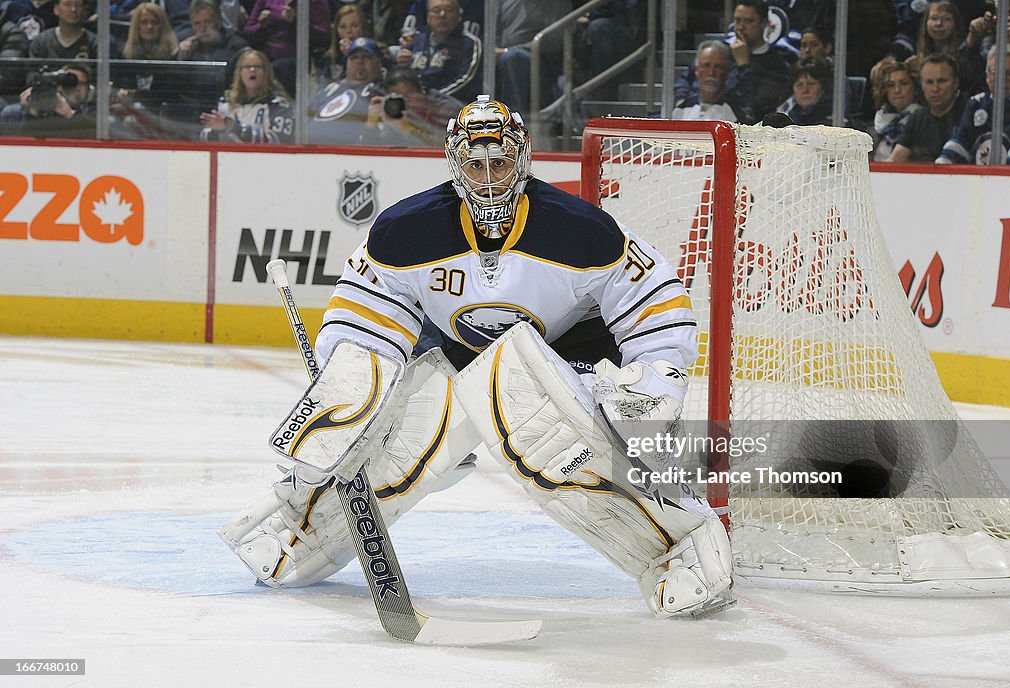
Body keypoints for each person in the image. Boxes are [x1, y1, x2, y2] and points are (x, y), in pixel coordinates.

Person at [219, 95, 735, 620]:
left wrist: (655, 380)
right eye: (475, 163)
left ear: (523, 158)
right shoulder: (407, 231)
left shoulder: (580, 230)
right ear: (454, 163)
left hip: (572, 358)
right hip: (455, 354)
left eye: (500, 161)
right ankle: (299, 530)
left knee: (549, 435)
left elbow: (657, 299)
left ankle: (682, 544)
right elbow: (363, 320)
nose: (488, 176)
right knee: (404, 433)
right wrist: (346, 397)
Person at [938, 43, 1010, 163]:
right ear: (987, 76)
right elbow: (962, 140)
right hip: (979, 179)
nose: (1002, 80)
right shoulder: (976, 104)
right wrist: (944, 162)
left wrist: (1006, 173)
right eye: (995, 73)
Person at [199, 47, 294, 143]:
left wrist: (234, 128)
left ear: (266, 72)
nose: (252, 70)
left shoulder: (279, 105)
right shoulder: (226, 103)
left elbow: (279, 141)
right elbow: (206, 139)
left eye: (257, 66)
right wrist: (216, 130)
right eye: (247, 67)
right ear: (239, 73)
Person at [495, 0, 573, 116]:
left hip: (545, 65)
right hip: (505, 57)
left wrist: (506, 51)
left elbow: (553, 42)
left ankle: (516, 121)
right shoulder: (507, 2)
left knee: (512, 58)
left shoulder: (558, 4)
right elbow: (495, 33)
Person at [395, 0, 481, 103]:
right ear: (428, 17)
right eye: (436, 10)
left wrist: (433, 98)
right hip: (414, 103)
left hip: (450, 104)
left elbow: (466, 80)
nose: (442, 15)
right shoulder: (416, 42)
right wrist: (400, 65)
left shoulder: (469, 43)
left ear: (459, 16)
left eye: (449, 10)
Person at [728, 0, 797, 124]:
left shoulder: (778, 64)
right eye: (737, 20)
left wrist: (743, 65)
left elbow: (757, 105)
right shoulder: (723, 54)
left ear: (764, 23)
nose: (740, 27)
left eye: (748, 21)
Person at [889, 53, 966, 162]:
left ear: (955, 83)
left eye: (942, 81)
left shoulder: (968, 115)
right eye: (929, 82)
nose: (935, 88)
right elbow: (894, 160)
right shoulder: (917, 119)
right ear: (921, 85)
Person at [307, 35, 385, 144]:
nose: (360, 61)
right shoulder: (331, 89)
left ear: (379, 63)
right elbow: (303, 114)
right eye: (354, 57)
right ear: (347, 63)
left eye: (366, 56)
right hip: (307, 151)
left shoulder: (380, 92)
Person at [362, 65, 462, 146]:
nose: (404, 101)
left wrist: (408, 131)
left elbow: (448, 149)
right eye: (397, 97)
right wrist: (371, 126)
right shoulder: (394, 110)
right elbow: (368, 155)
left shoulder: (447, 110)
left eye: (408, 95)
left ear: (421, 91)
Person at [0, 61, 95, 137]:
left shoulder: (92, 112)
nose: (76, 88)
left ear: (88, 87)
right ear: (59, 85)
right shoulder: (15, 113)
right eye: (69, 83)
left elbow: (96, 139)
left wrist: (70, 114)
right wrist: (30, 112)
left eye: (81, 83)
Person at [177, 0, 251, 88]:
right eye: (197, 23)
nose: (203, 28)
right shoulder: (190, 49)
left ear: (218, 21)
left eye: (207, 21)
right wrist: (182, 59)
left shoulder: (237, 47)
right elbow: (179, 86)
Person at [671, 39, 738, 122]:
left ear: (727, 72)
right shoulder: (681, 110)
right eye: (706, 65)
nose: (711, 73)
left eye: (718, 67)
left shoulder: (735, 112)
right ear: (696, 70)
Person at [870, 60, 922, 160]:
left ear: (915, 87)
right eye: (891, 85)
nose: (897, 90)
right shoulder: (876, 126)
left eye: (904, 83)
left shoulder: (923, 122)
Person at [315, 3, 372, 86]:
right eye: (342, 27)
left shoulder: (375, 52)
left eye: (354, 26)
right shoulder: (329, 58)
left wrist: (352, 54)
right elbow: (325, 88)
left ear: (363, 27)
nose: (349, 31)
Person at [776, 57, 841, 126]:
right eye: (799, 85)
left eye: (811, 84)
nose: (805, 90)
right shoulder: (785, 117)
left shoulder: (837, 119)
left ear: (823, 88)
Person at [28, 0, 96, 60]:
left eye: (79, 5)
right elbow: (32, 72)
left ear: (84, 10)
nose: (73, 9)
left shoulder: (95, 43)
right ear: (56, 9)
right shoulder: (41, 42)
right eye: (67, 4)